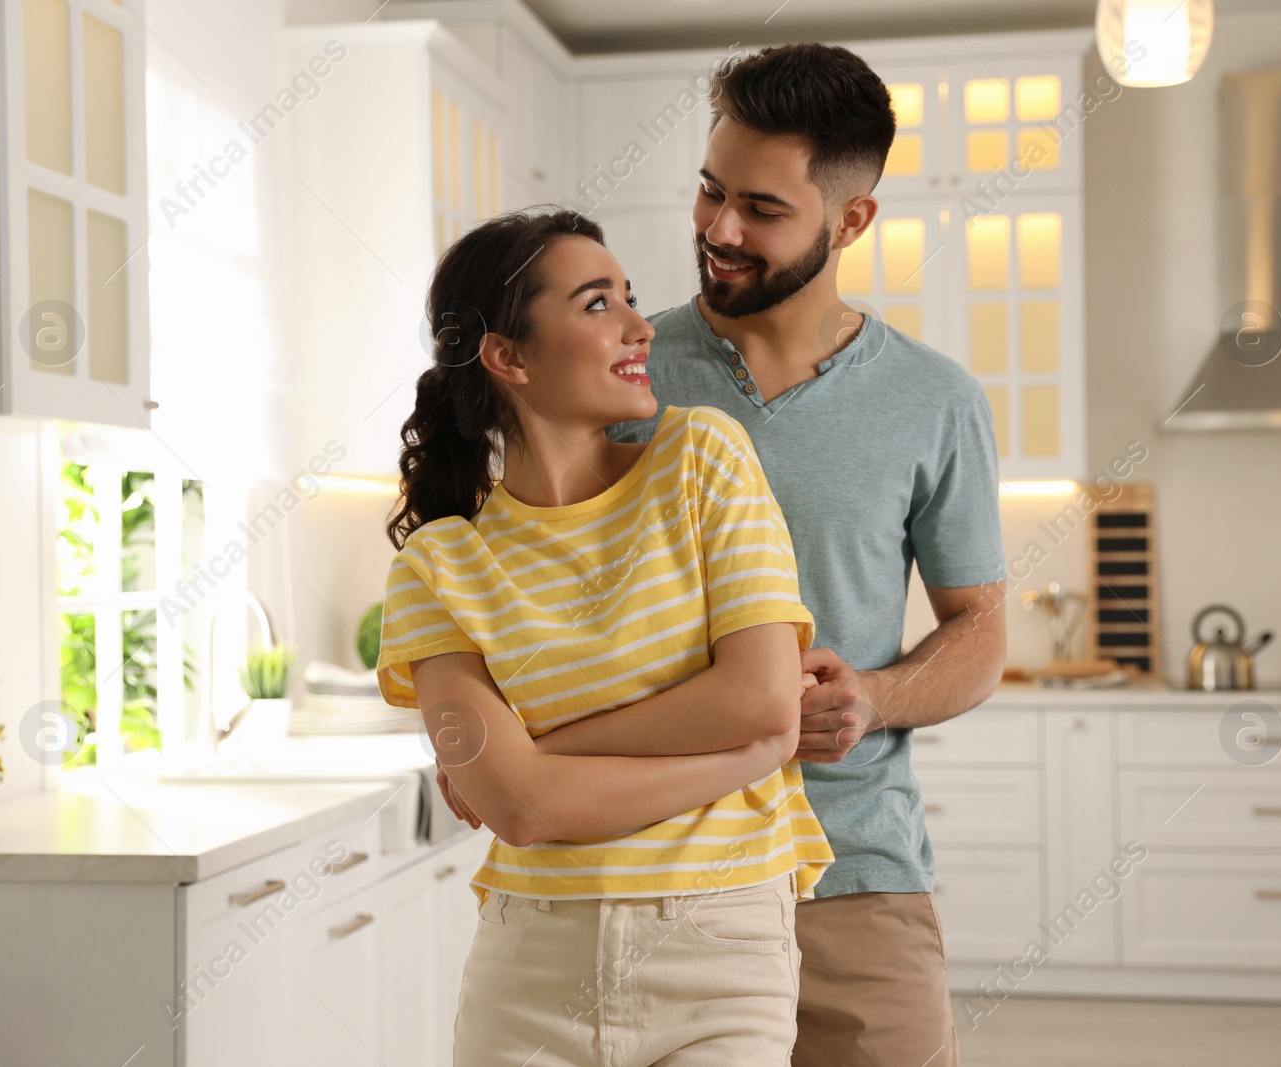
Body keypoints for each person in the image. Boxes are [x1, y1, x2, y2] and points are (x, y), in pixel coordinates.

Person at [604, 43, 1010, 1066]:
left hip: (854, 872)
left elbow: (979, 625)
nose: (719, 230)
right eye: (708, 192)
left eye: (762, 209)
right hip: (652, 861)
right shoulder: (618, 377)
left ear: (851, 219)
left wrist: (873, 694)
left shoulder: (934, 399)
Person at [376, 207, 835, 1066]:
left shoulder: (703, 458)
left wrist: (542, 748)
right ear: (509, 356)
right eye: (597, 304)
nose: (638, 327)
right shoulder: (439, 566)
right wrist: (751, 753)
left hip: (721, 949)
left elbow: (757, 696)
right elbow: (520, 807)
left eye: (630, 297)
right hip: (529, 971)